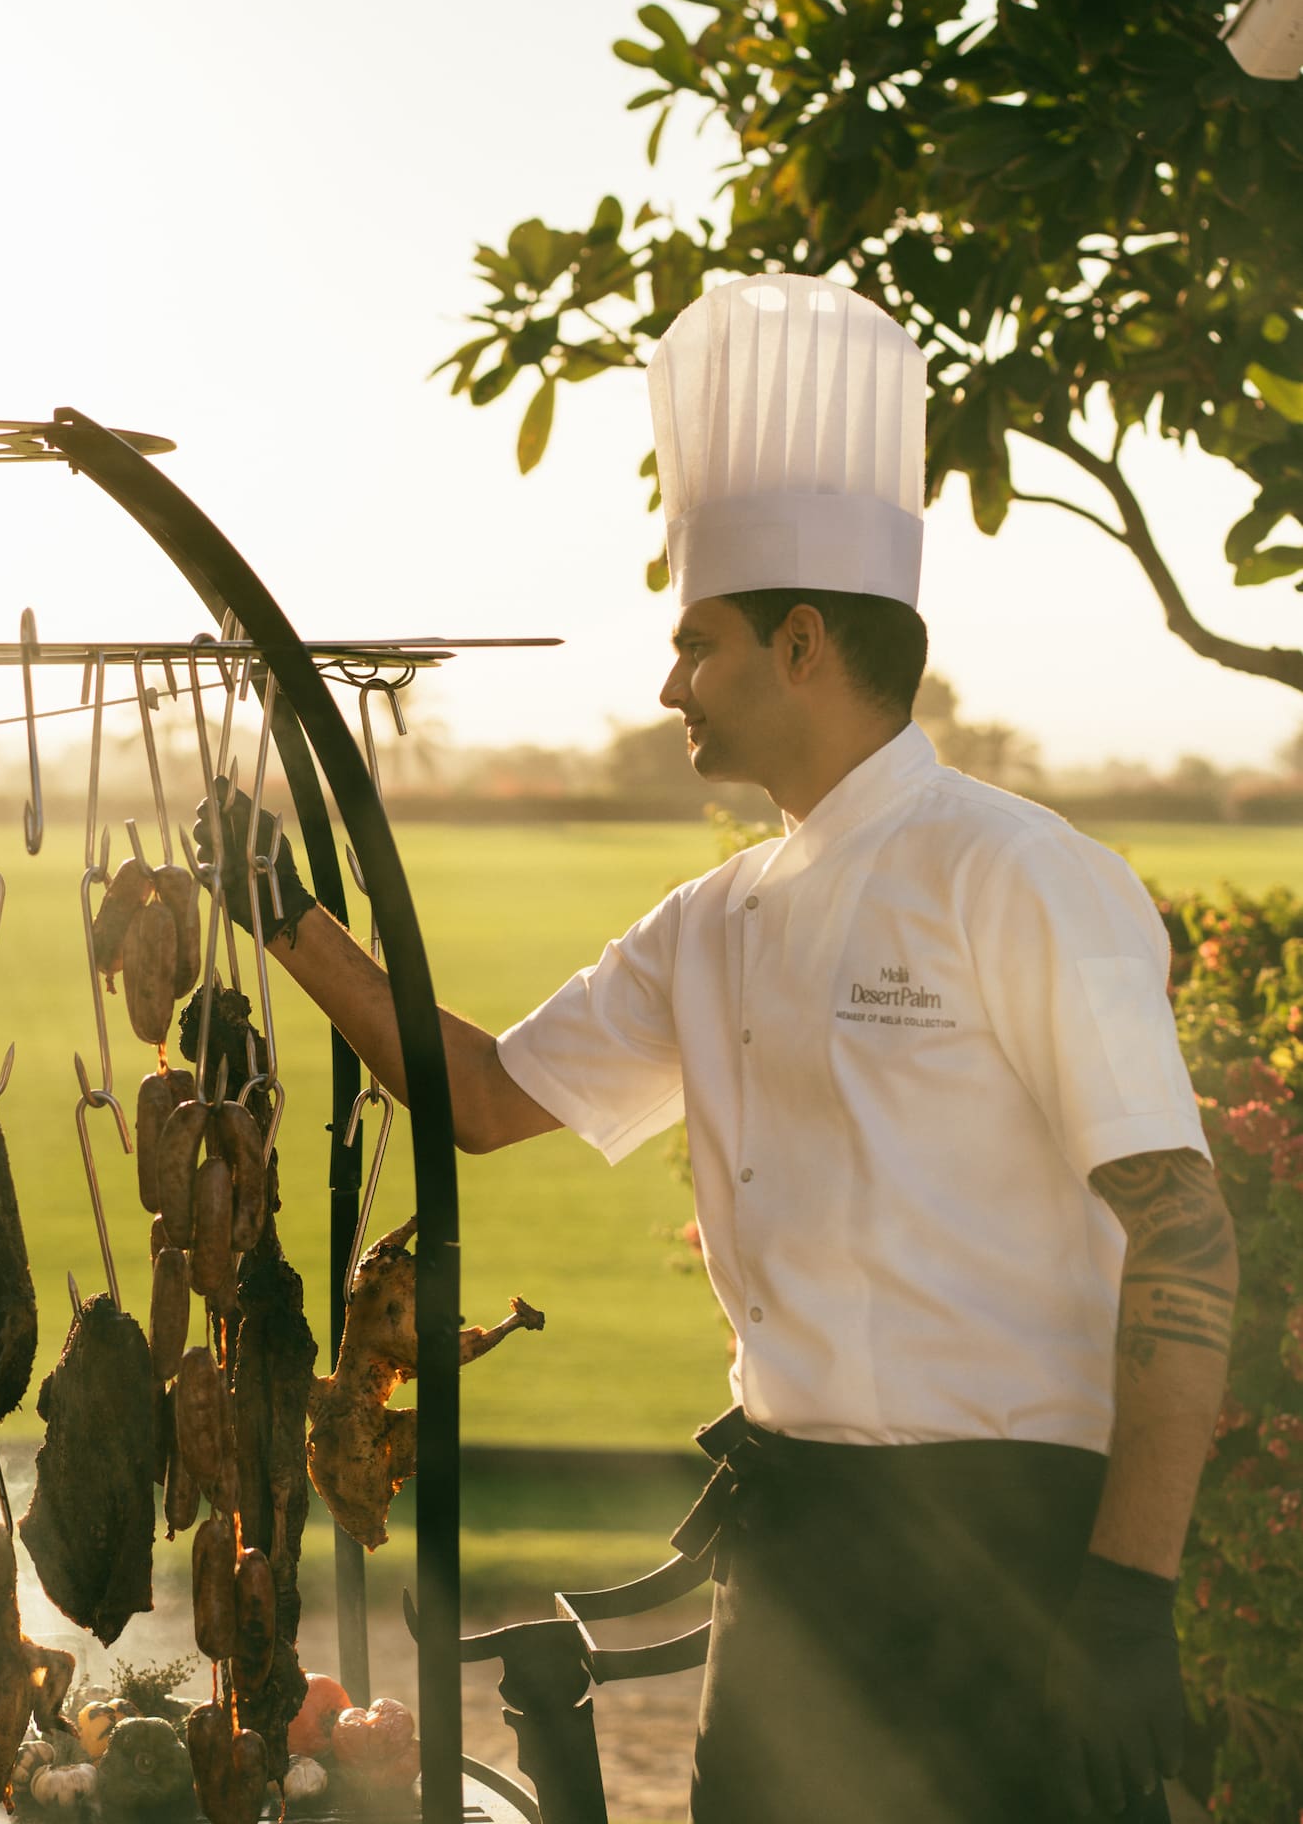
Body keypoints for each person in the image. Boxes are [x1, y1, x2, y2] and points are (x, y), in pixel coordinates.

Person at [197, 275, 1237, 1824]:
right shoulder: (716, 918)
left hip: (1018, 1560)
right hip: (802, 1555)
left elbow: (1183, 1232)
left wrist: (1125, 1601)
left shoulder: (1020, 875)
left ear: (804, 640)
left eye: (698, 645)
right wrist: (288, 922)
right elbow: (480, 1098)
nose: (670, 682)